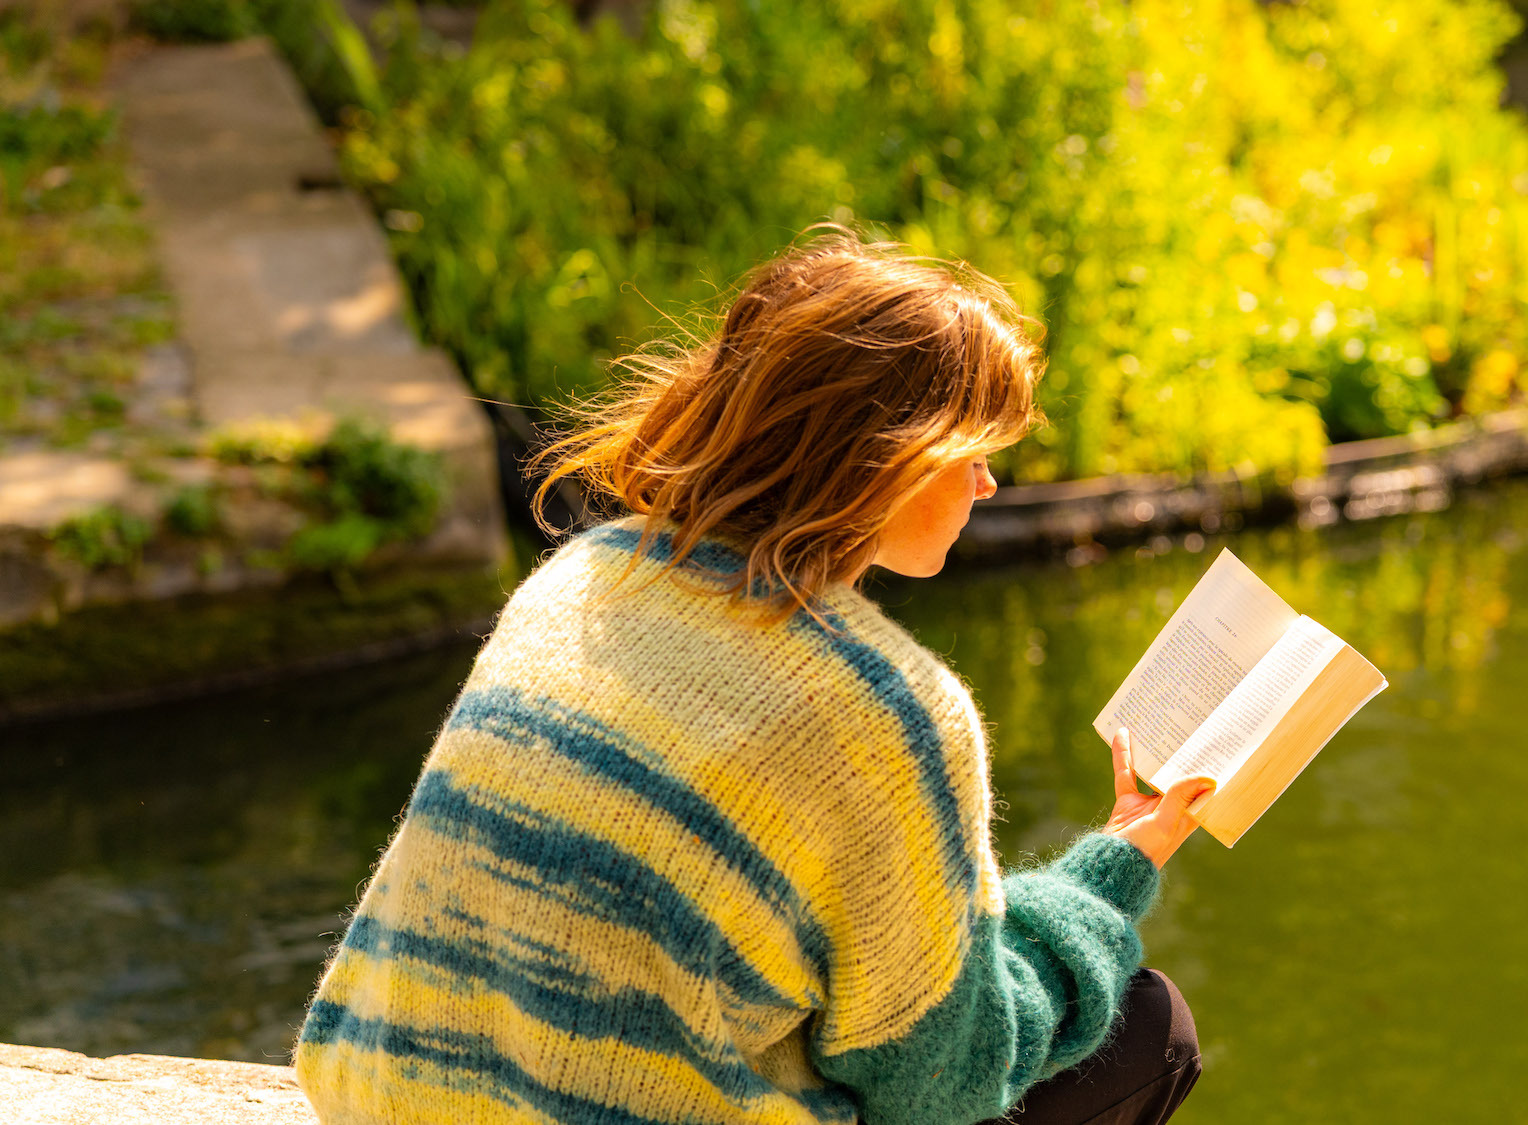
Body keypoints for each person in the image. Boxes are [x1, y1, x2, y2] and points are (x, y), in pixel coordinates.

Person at [293, 229, 1215, 1125]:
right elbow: (942, 1079)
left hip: (384, 1101)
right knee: (1149, 1029)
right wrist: (1114, 871)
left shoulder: (585, 575)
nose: (988, 487)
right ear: (892, 456)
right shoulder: (884, 708)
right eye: (973, 453)